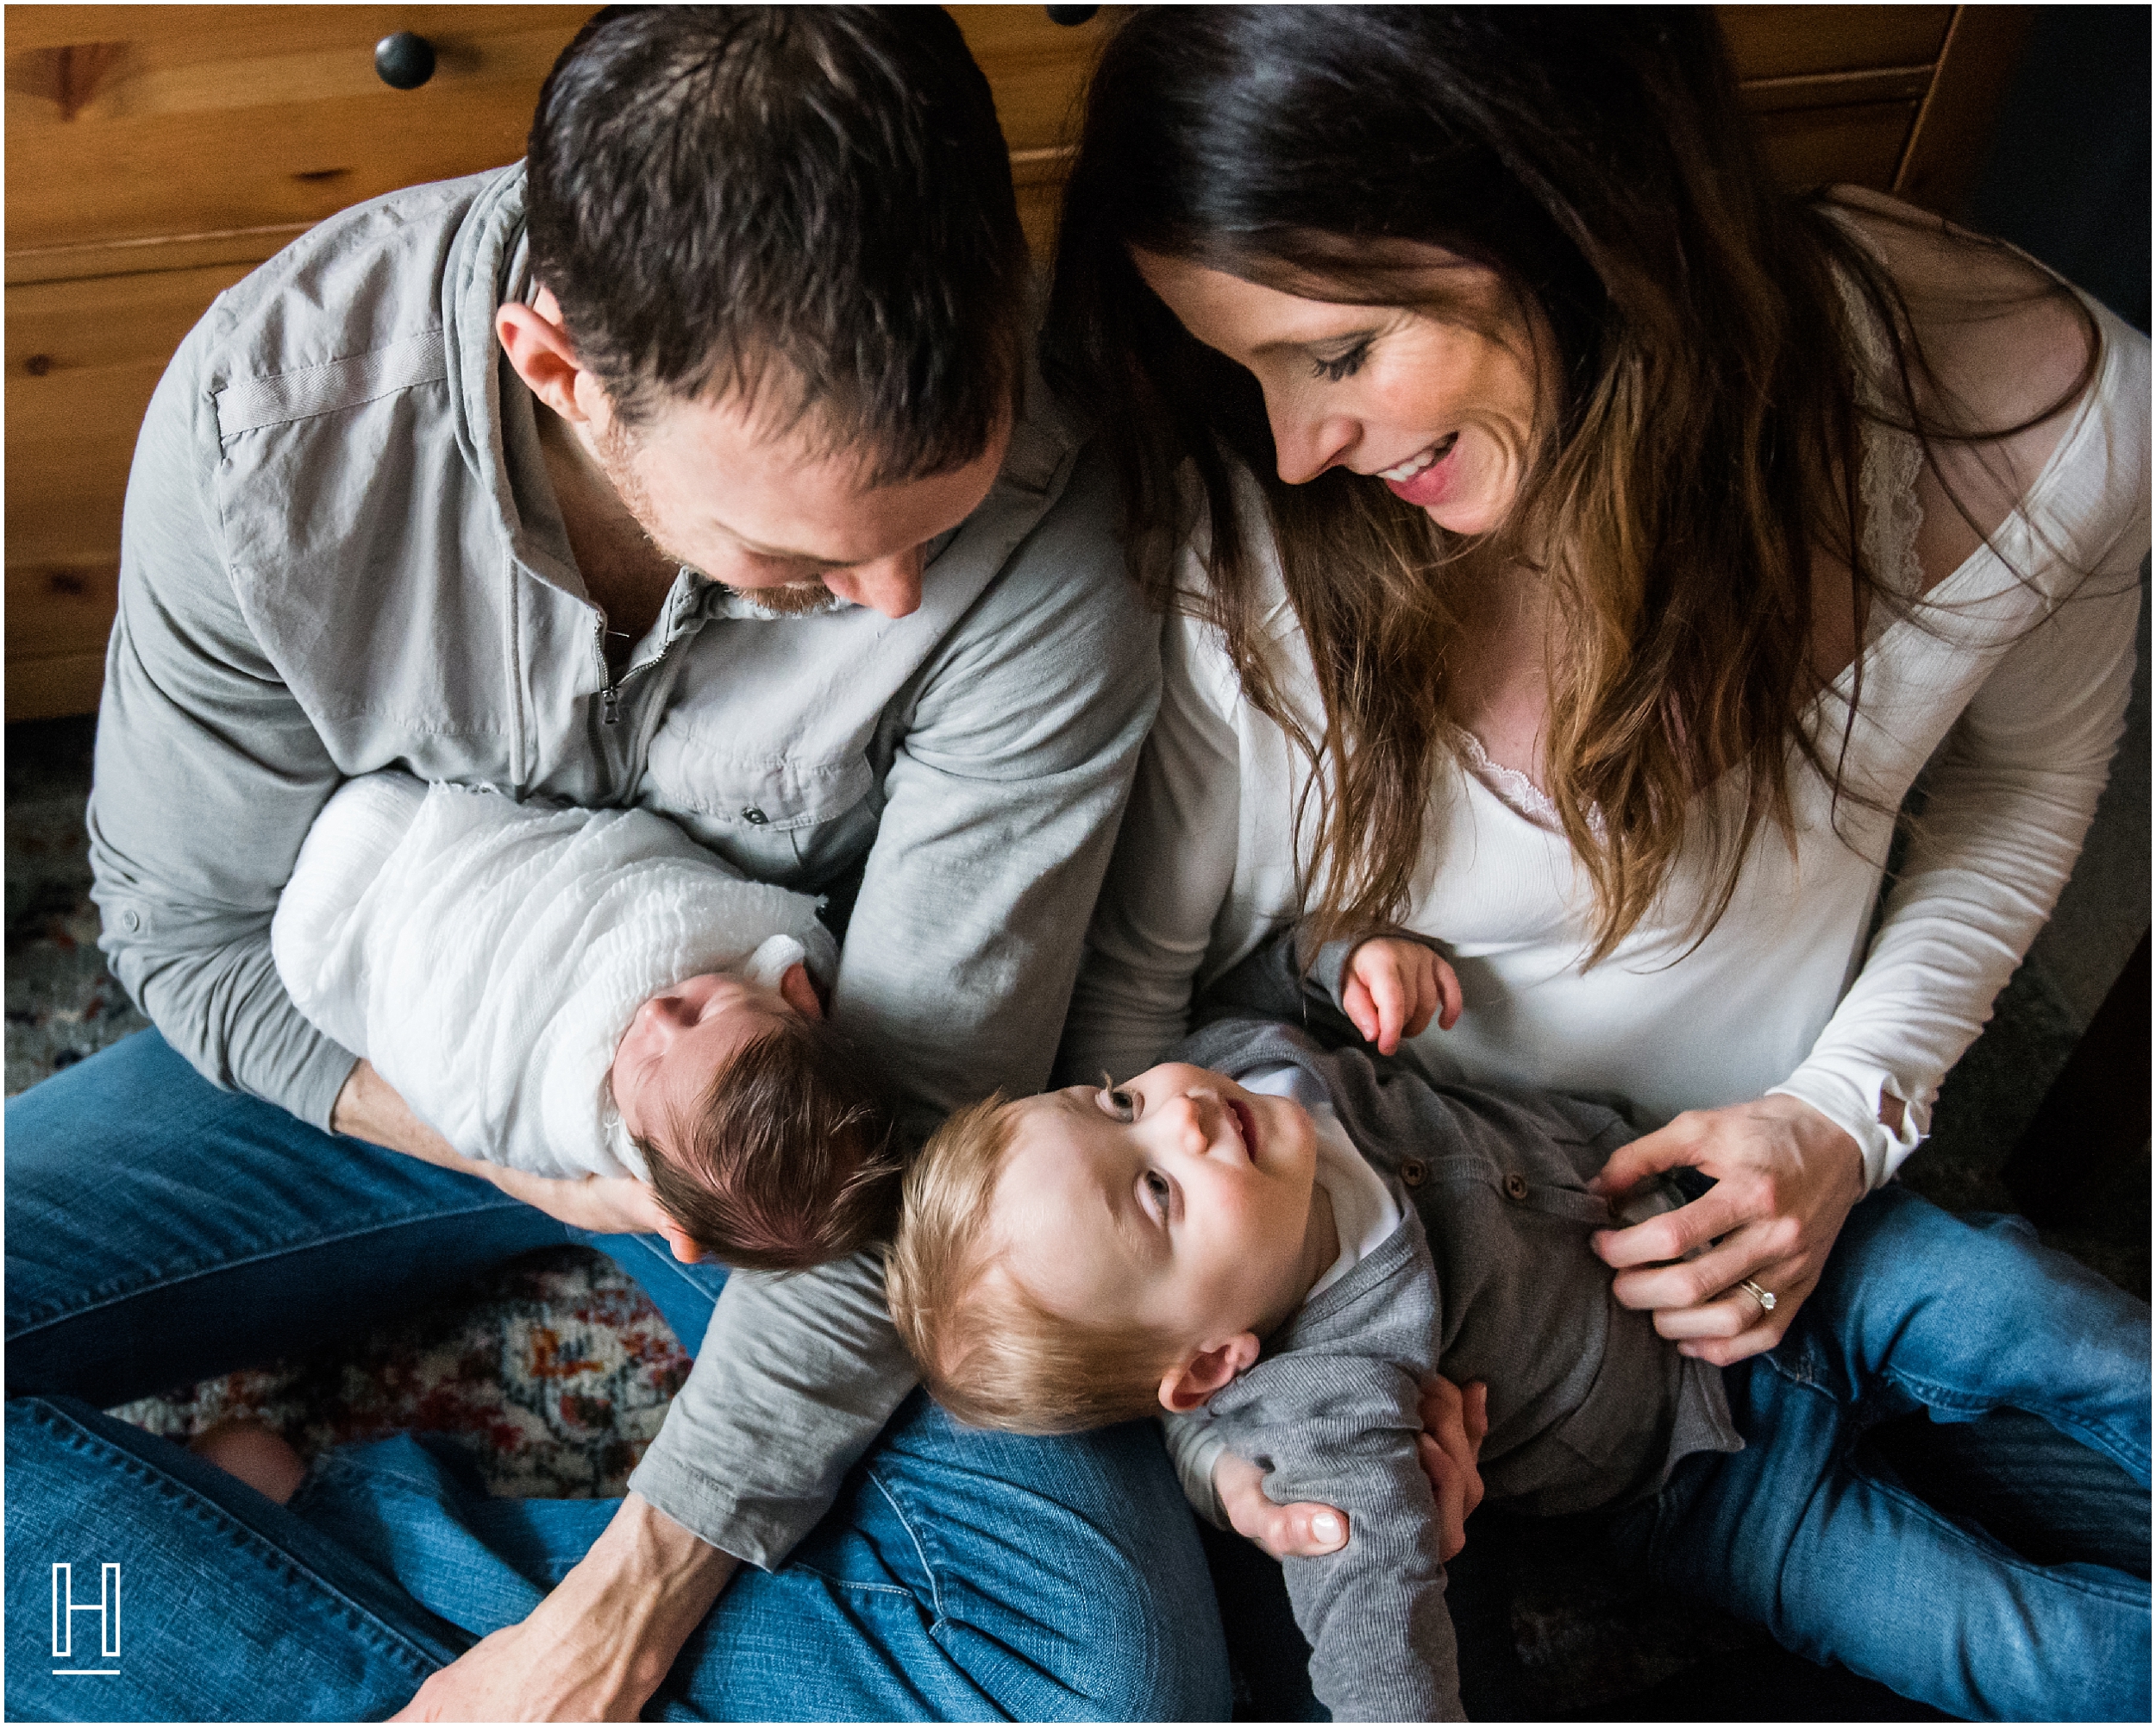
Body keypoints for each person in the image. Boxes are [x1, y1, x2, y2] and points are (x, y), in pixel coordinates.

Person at [4, 10, 1219, 1719]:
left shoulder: (1059, 498)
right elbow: (192, 939)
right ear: (555, 364)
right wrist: (537, 1151)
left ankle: (284, 1571)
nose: (892, 604)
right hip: (406, 1039)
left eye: (928, 530)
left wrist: (626, 1604)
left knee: (1102, 1683)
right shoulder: (276, 430)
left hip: (811, 1133)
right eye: (804, 555)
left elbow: (929, 1111)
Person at [1048, 4, 2147, 1517]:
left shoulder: (2049, 419)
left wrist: (1840, 1117)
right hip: (1438, 1303)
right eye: (1250, 373)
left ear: (1572, 208)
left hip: (1787, 1213)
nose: (1298, 444)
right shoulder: (1247, 521)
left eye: (1344, 351)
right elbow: (1129, 1015)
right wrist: (1227, 1435)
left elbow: (2012, 798)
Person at [891, 932, 2153, 1721]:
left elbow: (1271, 961)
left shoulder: (1253, 1063)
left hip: (1765, 1249)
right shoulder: (1317, 1408)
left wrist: (1352, 958)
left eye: (1117, 1101)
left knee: (2027, 1305)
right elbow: (1376, 1641)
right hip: (1712, 1490)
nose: (1181, 1113)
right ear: (1216, 1359)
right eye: (1156, 1190)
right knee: (2028, 1655)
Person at [272, 769, 902, 1270]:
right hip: (424, 851)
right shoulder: (765, 948)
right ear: (796, 995)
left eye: (652, 1063)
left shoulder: (578, 1127)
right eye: (704, 1010)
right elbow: (640, 873)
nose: (657, 1016)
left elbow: (483, 1109)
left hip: (353, 942)